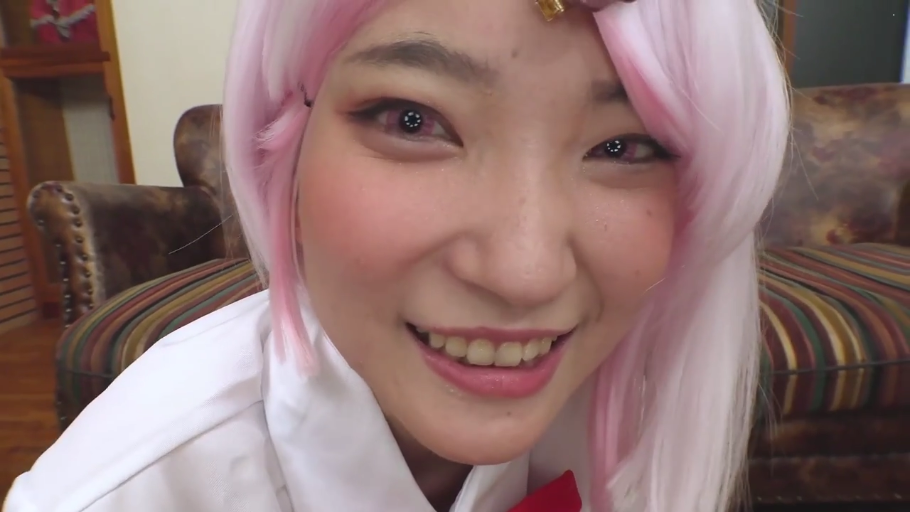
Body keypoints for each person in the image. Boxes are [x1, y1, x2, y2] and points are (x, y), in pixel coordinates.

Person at [3, 0, 788, 510]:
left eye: (624, 146)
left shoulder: (631, 401)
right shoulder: (124, 492)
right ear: (286, 156)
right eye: (412, 120)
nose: (524, 273)